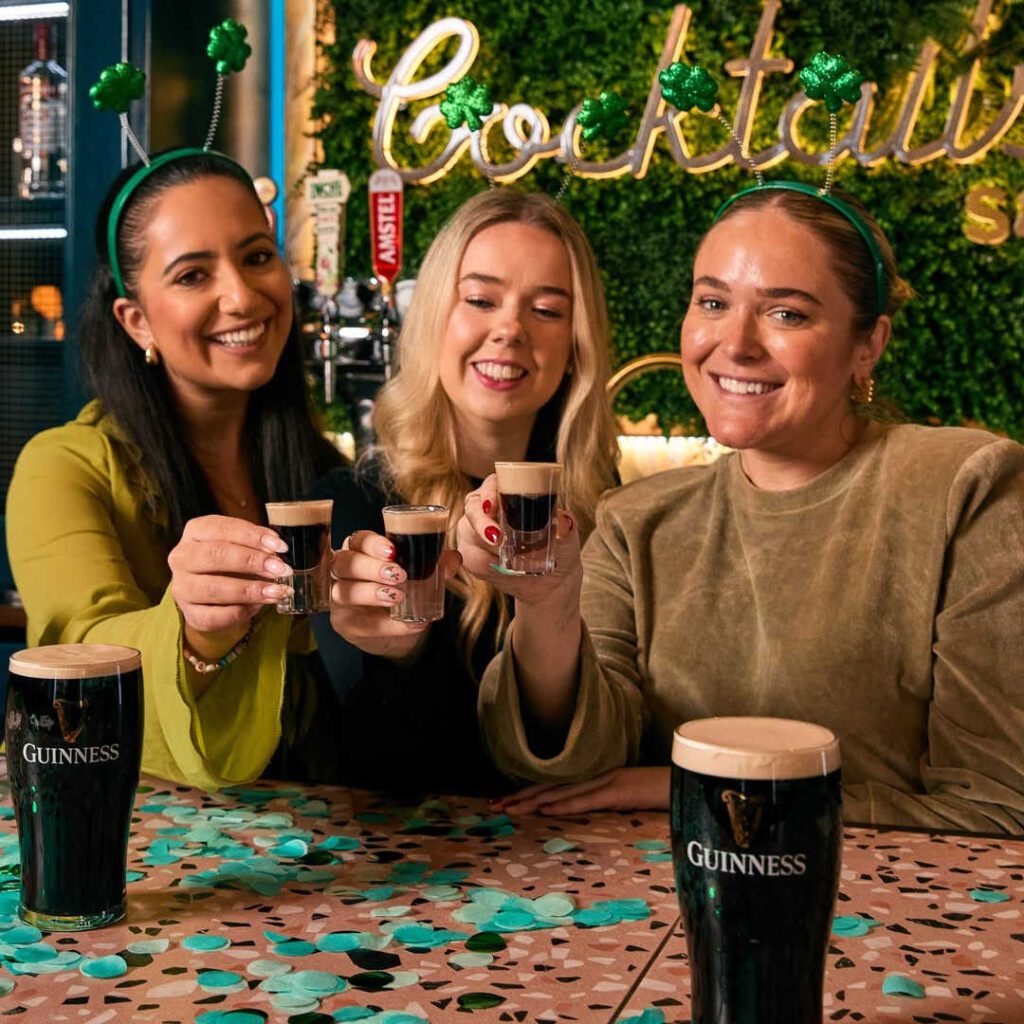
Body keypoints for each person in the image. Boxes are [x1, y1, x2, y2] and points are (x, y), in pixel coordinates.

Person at [459, 185, 1024, 834]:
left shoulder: (967, 487)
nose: (737, 343)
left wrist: (706, 787)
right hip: (671, 908)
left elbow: (997, 807)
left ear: (867, 345)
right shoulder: (634, 520)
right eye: (712, 302)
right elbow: (576, 768)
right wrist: (547, 602)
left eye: (787, 314)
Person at [6, 150, 345, 790]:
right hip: (130, 842)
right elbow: (78, 653)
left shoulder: (326, 475)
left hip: (323, 848)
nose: (242, 296)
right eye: (193, 275)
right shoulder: (64, 467)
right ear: (136, 322)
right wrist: (193, 631)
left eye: (257, 257)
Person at [310, 189, 619, 795]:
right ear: (433, 320)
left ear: (575, 346)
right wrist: (394, 652)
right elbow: (363, 762)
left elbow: (604, 745)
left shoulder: (606, 512)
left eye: (548, 310)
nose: (509, 329)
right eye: (480, 299)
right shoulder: (355, 507)